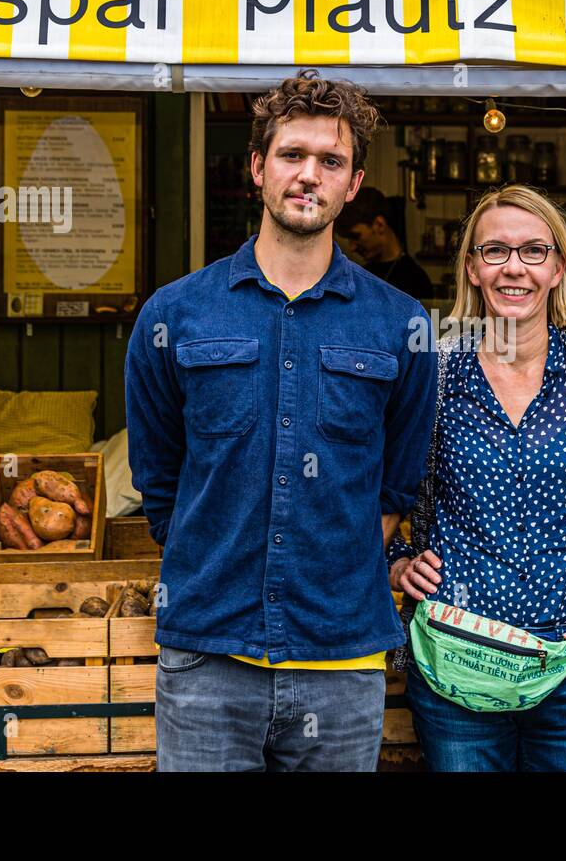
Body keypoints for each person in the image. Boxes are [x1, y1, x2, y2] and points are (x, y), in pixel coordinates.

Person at [125, 70, 437, 771]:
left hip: (341, 656)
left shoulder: (400, 324)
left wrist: (328, 561)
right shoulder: (174, 317)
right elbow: (162, 482)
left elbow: (397, 485)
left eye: (330, 161)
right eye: (292, 155)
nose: (309, 175)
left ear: (353, 185)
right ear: (259, 167)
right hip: (208, 655)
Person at [389, 184, 566, 772]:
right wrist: (396, 559)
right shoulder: (435, 368)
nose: (514, 267)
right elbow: (376, 485)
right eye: (494, 251)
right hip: (454, 664)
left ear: (559, 266)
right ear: (472, 266)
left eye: (533, 251)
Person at [336, 187, 435, 300]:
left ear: (379, 225)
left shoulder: (416, 281)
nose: (352, 247)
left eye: (356, 236)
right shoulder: (357, 278)